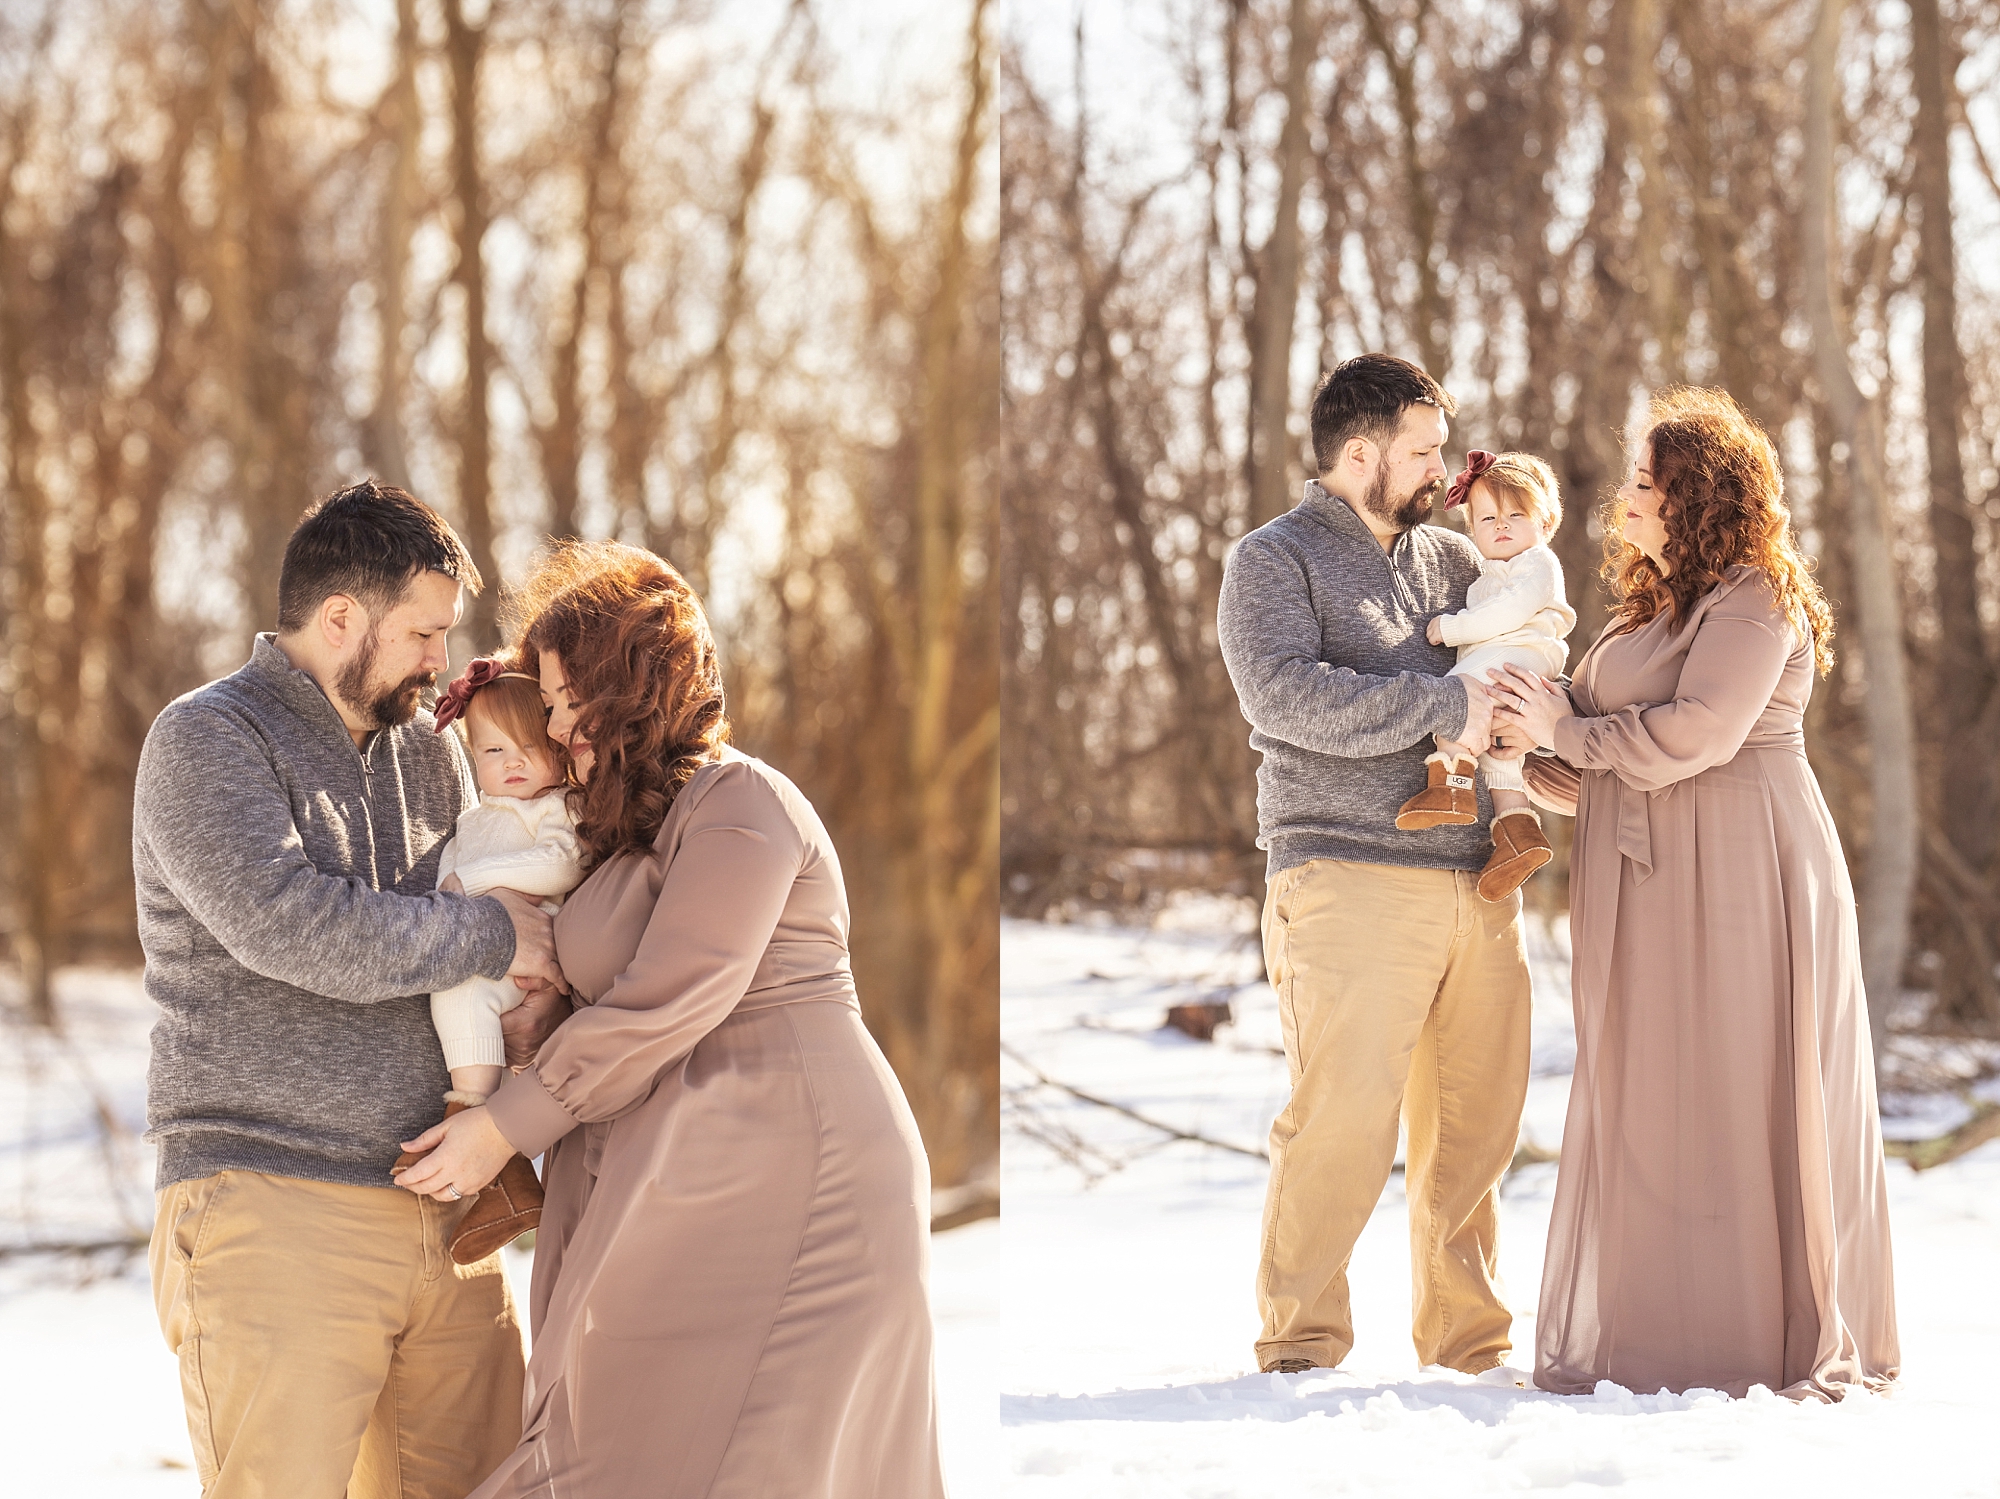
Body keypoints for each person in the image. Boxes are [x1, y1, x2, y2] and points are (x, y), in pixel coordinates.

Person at [392, 541, 947, 1496]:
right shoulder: (615, 838)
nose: (554, 721)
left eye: (567, 697)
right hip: (673, 1190)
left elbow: (673, 997)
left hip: (791, 1180)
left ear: (629, 688)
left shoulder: (741, 804)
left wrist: (504, 1128)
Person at [135, 479, 571, 1499]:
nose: (440, 658)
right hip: (272, 1203)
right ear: (341, 618)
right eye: (423, 632)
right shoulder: (209, 739)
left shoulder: (429, 754)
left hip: (447, 1204)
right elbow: (291, 924)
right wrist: (493, 933)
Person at [1492, 386, 1900, 1400]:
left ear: (1692, 494)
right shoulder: (1651, 607)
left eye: (1641, 482)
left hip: (1745, 872)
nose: (1621, 499)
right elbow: (1596, 753)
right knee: (1656, 1097)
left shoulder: (1754, 597)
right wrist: (1520, 740)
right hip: (1644, 873)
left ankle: (1755, 1338)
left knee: (1737, 1085)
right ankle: (1664, 1335)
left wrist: (1561, 735)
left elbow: (1694, 735)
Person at [1216, 353, 1531, 1379]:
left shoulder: (1452, 561)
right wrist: (1443, 708)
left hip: (1477, 879)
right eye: (1423, 450)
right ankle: (1299, 1349)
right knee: (1341, 1120)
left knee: (1472, 1139)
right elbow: (1282, 696)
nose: (1444, 467)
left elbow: (1512, 660)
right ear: (1359, 455)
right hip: (1344, 871)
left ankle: (1468, 1355)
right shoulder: (1272, 561)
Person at [392, 658, 587, 1264]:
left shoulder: (557, 807)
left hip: (534, 959)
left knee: (473, 1002)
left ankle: (479, 1121)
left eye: (530, 746)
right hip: (484, 966)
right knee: (453, 994)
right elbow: (441, 881)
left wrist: (472, 883)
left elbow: (561, 865)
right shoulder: (472, 820)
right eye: (494, 751)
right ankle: (500, 1166)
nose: (514, 763)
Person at [1395, 449, 1576, 902]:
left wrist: (1451, 627)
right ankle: (1517, 834)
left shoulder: (1538, 564)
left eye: (1516, 514)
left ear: (1545, 523)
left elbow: (1508, 612)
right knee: (1502, 754)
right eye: (1488, 517)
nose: (1501, 525)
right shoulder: (1488, 573)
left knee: (1458, 700)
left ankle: (1451, 789)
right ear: (1471, 528)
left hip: (1518, 659)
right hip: (1512, 663)